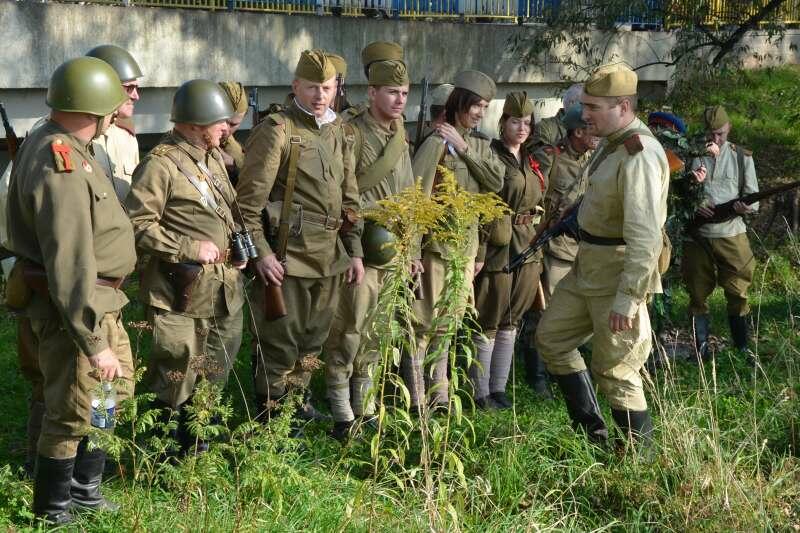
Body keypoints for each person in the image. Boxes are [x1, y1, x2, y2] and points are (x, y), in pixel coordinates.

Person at [6, 57, 136, 524]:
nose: (118, 111)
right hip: (78, 311)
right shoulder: (59, 159)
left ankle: (85, 491)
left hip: (102, 303)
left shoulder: (70, 147)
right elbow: (70, 260)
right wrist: (94, 342)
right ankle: (53, 511)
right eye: (113, 105)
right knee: (71, 411)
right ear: (94, 108)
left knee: (110, 396)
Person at [535, 63, 669, 445]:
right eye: (585, 105)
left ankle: (637, 460)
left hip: (617, 274)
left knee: (617, 369)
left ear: (623, 107)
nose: (584, 114)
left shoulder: (639, 154)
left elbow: (645, 237)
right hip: (587, 266)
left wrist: (629, 298)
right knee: (552, 339)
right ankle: (592, 435)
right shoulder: (612, 143)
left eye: (593, 107)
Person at [236, 50, 364, 427]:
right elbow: (247, 205)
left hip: (329, 256)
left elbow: (350, 198)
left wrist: (354, 251)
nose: (320, 95)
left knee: (312, 342)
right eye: (311, 87)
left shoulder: (340, 131)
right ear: (295, 87)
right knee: (280, 341)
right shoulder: (278, 130)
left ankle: (297, 406)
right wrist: (261, 254)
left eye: (326, 88)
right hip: (287, 256)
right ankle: (273, 419)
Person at [126, 80, 246, 452]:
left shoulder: (212, 157)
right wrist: (189, 247)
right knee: (175, 377)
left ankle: (198, 446)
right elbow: (136, 224)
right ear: (195, 122)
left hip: (222, 290)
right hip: (179, 294)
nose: (226, 128)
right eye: (219, 122)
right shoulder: (160, 164)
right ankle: (163, 455)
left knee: (214, 372)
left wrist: (237, 246)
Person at [323, 59, 416, 440]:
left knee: (377, 333)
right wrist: (352, 248)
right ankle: (342, 413)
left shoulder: (400, 135)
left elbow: (410, 195)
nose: (399, 100)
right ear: (372, 92)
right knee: (349, 329)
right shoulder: (352, 132)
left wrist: (412, 252)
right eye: (392, 92)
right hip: (360, 247)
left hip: (393, 251)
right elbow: (342, 195)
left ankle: (366, 407)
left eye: (404, 93)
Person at [407, 70, 504, 410]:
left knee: (448, 325)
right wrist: (413, 251)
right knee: (424, 325)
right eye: (477, 105)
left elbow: (496, 182)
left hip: (464, 250)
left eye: (486, 107)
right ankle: (417, 399)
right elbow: (417, 199)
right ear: (460, 102)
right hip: (435, 249)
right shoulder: (435, 143)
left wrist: (463, 149)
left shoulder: (476, 145)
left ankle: (441, 395)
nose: (480, 113)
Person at [471, 91, 547, 410]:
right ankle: (480, 391)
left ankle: (499, 388)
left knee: (512, 319)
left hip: (527, 247)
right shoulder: (491, 155)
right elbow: (481, 205)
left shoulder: (531, 160)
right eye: (516, 121)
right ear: (503, 123)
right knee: (490, 315)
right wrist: (479, 251)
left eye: (527, 122)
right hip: (498, 245)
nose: (522, 128)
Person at [518, 103, 599, 398]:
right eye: (591, 130)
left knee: (575, 312)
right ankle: (538, 376)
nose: (596, 135)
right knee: (544, 312)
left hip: (583, 247)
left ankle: (563, 370)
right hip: (554, 247)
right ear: (577, 132)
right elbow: (533, 196)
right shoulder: (551, 157)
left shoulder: (594, 159)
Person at [682, 105, 758, 361]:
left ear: (729, 129)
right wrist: (695, 203)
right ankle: (701, 350)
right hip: (697, 235)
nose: (716, 139)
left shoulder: (742, 157)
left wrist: (744, 207)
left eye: (721, 134)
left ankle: (742, 348)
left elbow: (753, 197)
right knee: (696, 291)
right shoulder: (691, 154)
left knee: (738, 291)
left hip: (731, 232)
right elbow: (676, 192)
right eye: (711, 134)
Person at [86, 44, 144, 201]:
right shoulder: (72, 133)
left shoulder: (127, 136)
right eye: (128, 88)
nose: (136, 96)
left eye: (136, 88)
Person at [527, 83, 584, 150]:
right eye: (585, 105)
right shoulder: (545, 128)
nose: (589, 111)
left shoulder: (588, 128)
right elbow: (540, 154)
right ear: (572, 104)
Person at [218, 81, 250, 185]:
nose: (226, 129)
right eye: (223, 121)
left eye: (233, 124)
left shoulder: (235, 149)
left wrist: (233, 165)